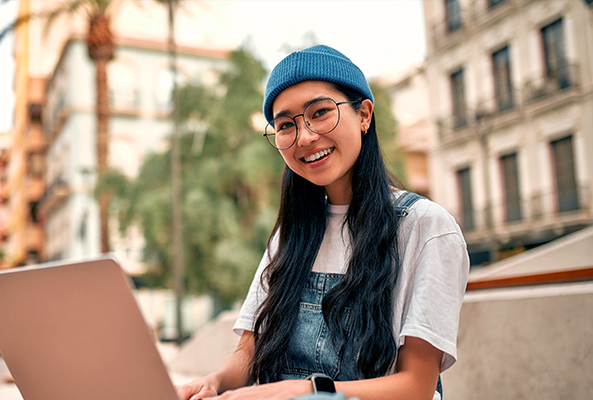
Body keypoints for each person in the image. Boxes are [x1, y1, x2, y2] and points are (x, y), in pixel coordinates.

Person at [176, 45, 469, 400]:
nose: (306, 136)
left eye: (320, 112)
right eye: (286, 125)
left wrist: (306, 391)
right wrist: (214, 382)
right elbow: (248, 353)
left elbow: (416, 386)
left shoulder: (426, 227)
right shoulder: (291, 235)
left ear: (364, 115)